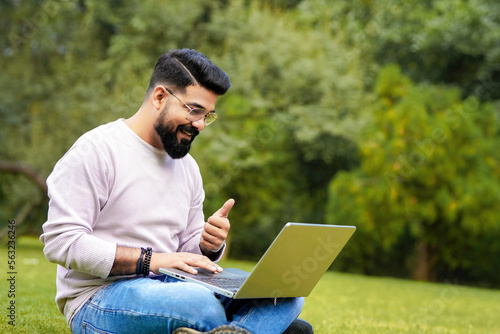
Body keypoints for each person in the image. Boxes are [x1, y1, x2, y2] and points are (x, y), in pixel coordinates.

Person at [40, 49, 313, 334]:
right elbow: (62, 241)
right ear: (159, 97)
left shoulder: (188, 168)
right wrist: (153, 260)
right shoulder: (96, 151)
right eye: (194, 110)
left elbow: (185, 253)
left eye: (208, 115)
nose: (200, 125)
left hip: (175, 286)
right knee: (200, 306)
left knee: (284, 295)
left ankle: (235, 330)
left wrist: (208, 246)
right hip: (100, 297)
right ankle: (254, 328)